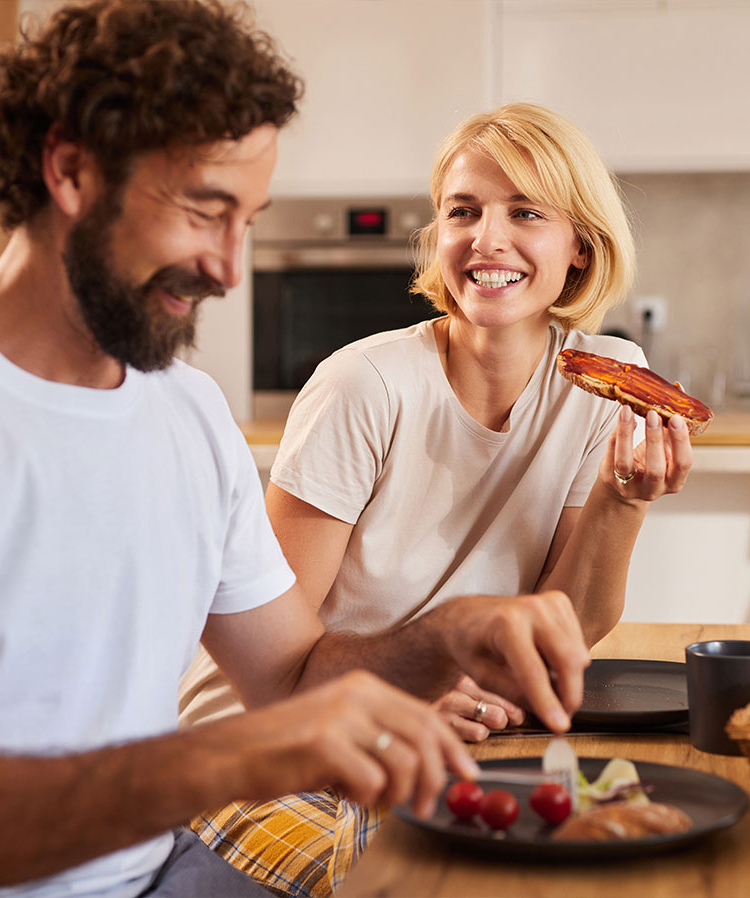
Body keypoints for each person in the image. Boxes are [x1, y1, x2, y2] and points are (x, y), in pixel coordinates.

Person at [0, 6, 594, 897]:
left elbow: (289, 679)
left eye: (247, 222)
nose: (229, 269)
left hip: (154, 870)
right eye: (206, 212)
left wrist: (448, 636)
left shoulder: (186, 412)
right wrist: (217, 761)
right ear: (70, 171)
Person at [179, 102, 694, 896]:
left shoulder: (604, 380)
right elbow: (275, 669)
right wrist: (420, 693)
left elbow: (568, 623)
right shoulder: (365, 387)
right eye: (464, 211)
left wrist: (622, 500)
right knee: (383, 884)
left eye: (525, 211)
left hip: (432, 732)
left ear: (580, 247)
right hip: (263, 748)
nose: (487, 238)